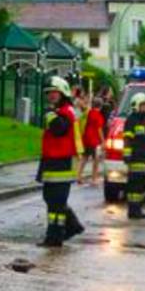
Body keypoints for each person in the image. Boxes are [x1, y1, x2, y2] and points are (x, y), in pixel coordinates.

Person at [37, 76, 85, 247]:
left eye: (54, 92)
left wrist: (50, 115)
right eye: (48, 93)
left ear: (63, 93)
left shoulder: (65, 111)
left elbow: (59, 129)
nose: (51, 95)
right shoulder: (59, 110)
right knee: (51, 199)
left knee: (56, 201)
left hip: (61, 162)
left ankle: (55, 236)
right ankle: (71, 227)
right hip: (51, 161)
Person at [123, 93, 145, 220]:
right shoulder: (132, 120)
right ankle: (134, 210)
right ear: (136, 105)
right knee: (135, 186)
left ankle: (137, 209)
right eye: (144, 105)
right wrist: (127, 154)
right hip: (136, 158)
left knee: (142, 185)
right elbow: (127, 138)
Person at [77, 97, 105, 184]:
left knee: (84, 158)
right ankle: (94, 178)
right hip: (94, 140)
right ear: (101, 106)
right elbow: (99, 129)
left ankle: (79, 176)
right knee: (96, 160)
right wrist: (103, 141)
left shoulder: (90, 113)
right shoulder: (99, 115)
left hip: (85, 138)